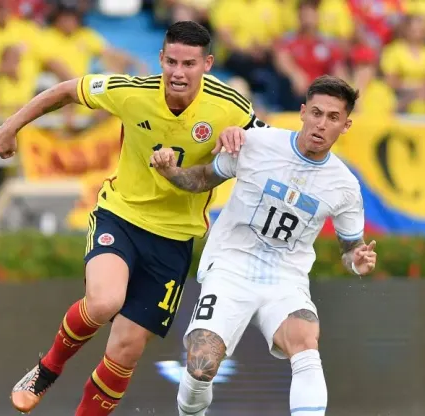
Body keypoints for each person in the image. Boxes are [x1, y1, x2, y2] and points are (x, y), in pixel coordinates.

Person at [0, 21, 264, 415]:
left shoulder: (230, 107)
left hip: (173, 239)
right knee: (104, 302)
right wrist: (12, 125)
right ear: (160, 59)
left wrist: (242, 138)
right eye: (171, 61)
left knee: (125, 350)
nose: (178, 72)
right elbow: (68, 90)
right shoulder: (132, 92)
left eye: (188, 63)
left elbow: (268, 142)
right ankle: (47, 369)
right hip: (121, 216)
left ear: (207, 64)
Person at [150, 75, 378, 416]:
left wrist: (357, 261)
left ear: (346, 125)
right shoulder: (257, 143)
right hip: (230, 265)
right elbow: (202, 179)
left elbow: (351, 248)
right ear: (302, 112)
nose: (321, 124)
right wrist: (171, 172)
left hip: (285, 277)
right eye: (316, 113)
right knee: (201, 365)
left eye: (333, 118)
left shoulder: (345, 186)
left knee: (305, 341)